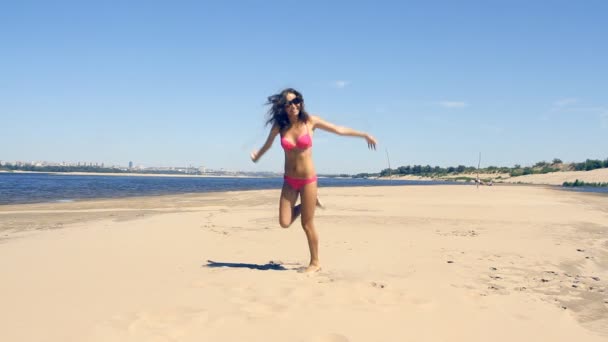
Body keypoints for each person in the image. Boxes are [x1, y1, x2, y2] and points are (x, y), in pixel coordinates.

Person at [250, 88, 377, 273]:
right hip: (289, 181)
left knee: (307, 224)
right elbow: (267, 144)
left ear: (300, 103)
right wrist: (257, 156)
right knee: (284, 222)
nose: (293, 106)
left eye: (296, 102)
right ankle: (308, 205)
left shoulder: (310, 121)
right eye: (288, 103)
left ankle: (315, 263)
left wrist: (364, 135)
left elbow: (338, 130)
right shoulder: (280, 126)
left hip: (308, 180)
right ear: (283, 107)